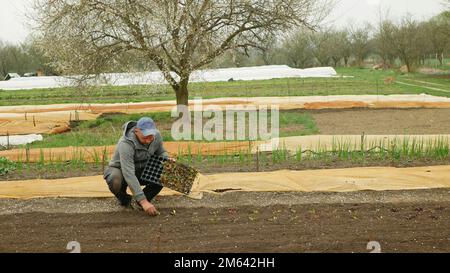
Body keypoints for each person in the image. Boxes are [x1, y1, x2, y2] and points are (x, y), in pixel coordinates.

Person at [104, 117, 169, 216]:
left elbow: (161, 152)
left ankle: (141, 200)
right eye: (145, 137)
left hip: (142, 169)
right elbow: (128, 173)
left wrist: (166, 159)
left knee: (168, 171)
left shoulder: (157, 136)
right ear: (136, 131)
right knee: (115, 179)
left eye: (150, 137)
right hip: (121, 170)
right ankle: (125, 199)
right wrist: (144, 202)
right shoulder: (125, 144)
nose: (148, 140)